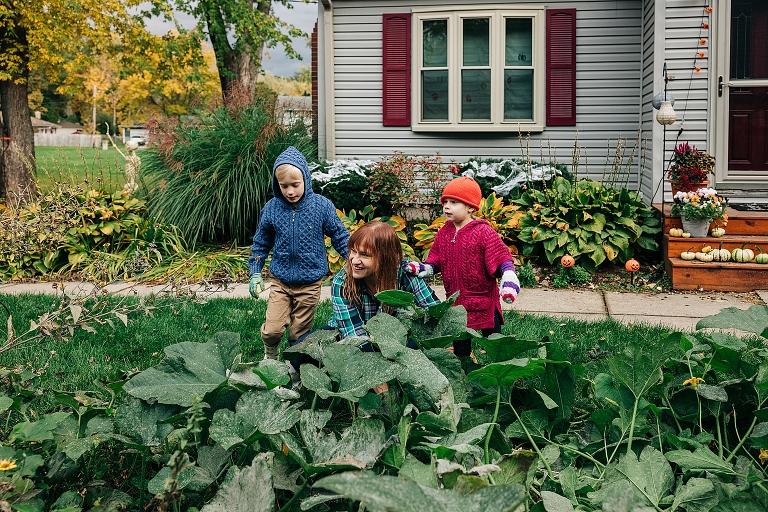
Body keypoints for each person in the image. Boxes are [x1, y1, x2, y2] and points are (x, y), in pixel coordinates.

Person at [248, 146, 350, 366]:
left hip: (310, 282)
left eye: (295, 185)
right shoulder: (272, 208)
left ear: (306, 179)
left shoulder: (321, 206)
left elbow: (339, 235)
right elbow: (261, 242)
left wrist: (352, 258)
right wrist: (255, 272)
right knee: (273, 329)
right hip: (281, 281)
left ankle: (293, 366)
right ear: (277, 185)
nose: (290, 191)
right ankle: (271, 355)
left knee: (299, 334)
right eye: (284, 186)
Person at [404, 176, 519, 356]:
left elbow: (501, 256)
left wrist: (509, 277)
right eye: (445, 202)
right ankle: (464, 377)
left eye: (454, 202)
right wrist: (422, 269)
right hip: (457, 305)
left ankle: (503, 375)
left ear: (471, 207)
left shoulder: (483, 231)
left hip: (484, 303)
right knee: (461, 349)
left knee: (496, 344)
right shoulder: (444, 233)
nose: (446, 206)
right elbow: (435, 262)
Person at [329, 221, 441, 343]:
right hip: (354, 337)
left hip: (399, 339)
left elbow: (436, 312)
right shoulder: (342, 281)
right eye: (353, 251)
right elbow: (353, 333)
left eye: (364, 255)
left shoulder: (406, 274)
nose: (354, 260)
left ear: (385, 258)